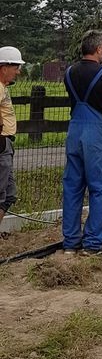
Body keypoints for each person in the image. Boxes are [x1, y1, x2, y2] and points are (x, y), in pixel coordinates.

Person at [62, 30, 102, 256]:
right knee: (99, 188)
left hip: (75, 131)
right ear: (98, 49)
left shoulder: (69, 72)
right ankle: (92, 244)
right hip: (97, 136)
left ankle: (70, 242)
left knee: (72, 187)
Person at [0, 46, 24, 229]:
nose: (18, 71)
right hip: (1, 143)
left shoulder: (3, 87)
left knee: (8, 195)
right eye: (15, 67)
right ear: (4, 67)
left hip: (5, 143)